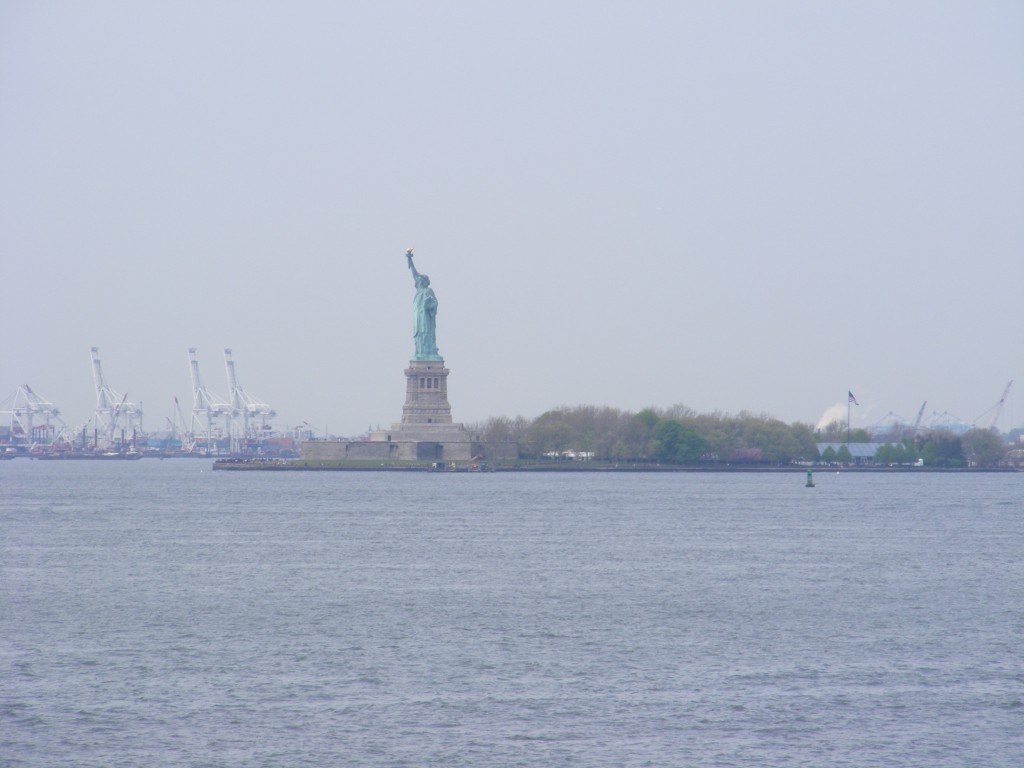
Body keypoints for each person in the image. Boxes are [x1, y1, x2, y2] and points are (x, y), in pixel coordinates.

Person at [405, 249, 440, 359]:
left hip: (426, 319)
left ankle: (428, 352)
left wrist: (429, 306)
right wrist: (410, 260)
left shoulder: (428, 291)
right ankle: (420, 352)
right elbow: (415, 274)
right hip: (418, 319)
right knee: (419, 335)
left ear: (424, 282)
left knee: (425, 334)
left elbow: (434, 303)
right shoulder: (419, 291)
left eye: (420, 280)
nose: (417, 281)